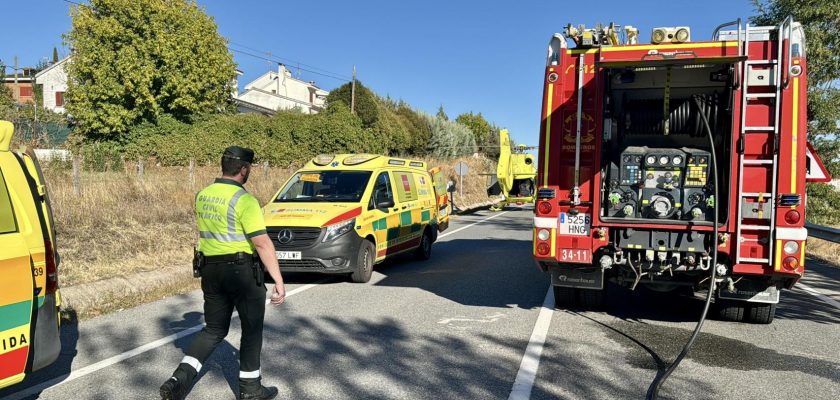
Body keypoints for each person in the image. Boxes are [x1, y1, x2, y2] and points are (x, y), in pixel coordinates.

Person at [160, 146, 286, 400]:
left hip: (210, 270)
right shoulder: (245, 200)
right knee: (251, 329)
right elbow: (262, 243)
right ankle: (250, 390)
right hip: (241, 272)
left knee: (214, 330)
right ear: (244, 169)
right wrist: (279, 281)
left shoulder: (203, 195)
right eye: (249, 168)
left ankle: (178, 380)